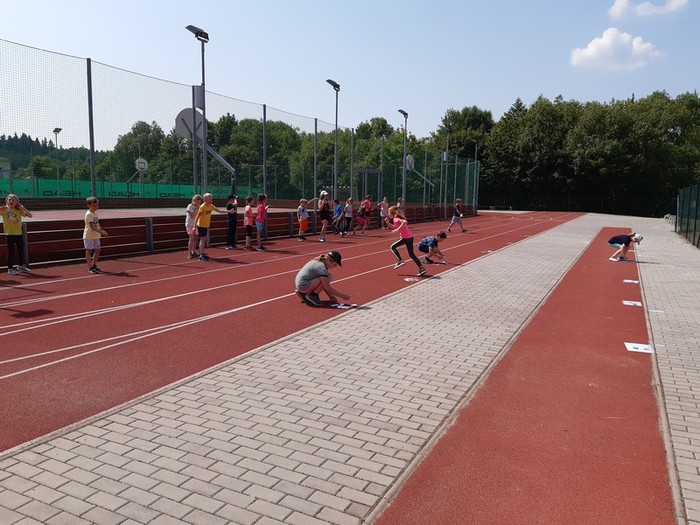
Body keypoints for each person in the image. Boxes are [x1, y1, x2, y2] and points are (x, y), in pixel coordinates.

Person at [386, 205, 426, 277]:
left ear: (392, 213)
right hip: (410, 237)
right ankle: (421, 268)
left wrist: (397, 230)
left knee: (392, 247)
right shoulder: (396, 219)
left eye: (389, 213)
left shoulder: (396, 219)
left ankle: (400, 261)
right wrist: (388, 223)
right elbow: (395, 227)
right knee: (411, 254)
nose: (388, 214)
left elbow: (405, 222)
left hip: (404, 238)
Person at [194, 193, 233, 261]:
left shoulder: (211, 206)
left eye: (211, 199)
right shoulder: (202, 207)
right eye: (209, 199)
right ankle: (201, 254)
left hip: (205, 225)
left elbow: (219, 211)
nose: (211, 200)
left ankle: (202, 253)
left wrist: (229, 211)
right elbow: (197, 216)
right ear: (205, 200)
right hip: (201, 225)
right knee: (203, 239)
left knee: (203, 239)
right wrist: (194, 226)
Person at [1, 193, 33, 275]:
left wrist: (23, 208)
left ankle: (21, 266)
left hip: (18, 233)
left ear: (17, 202)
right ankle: (10, 268)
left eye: (13, 200)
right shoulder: (4, 210)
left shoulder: (19, 210)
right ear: (7, 201)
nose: (11, 201)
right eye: (9, 199)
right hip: (9, 234)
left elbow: (30, 215)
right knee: (11, 251)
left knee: (21, 250)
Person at [83, 196, 108, 273]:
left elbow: (97, 223)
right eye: (94, 206)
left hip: (96, 235)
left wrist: (101, 229)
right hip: (89, 235)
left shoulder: (96, 213)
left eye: (97, 205)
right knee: (89, 251)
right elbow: (92, 227)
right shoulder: (89, 214)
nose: (96, 207)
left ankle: (94, 265)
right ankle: (90, 267)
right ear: (88, 205)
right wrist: (101, 232)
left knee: (98, 250)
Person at [185, 194, 203, 259]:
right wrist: (197, 208)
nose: (198, 203)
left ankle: (193, 251)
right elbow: (192, 215)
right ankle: (189, 253)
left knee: (195, 238)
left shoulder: (199, 207)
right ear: (194, 200)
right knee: (191, 238)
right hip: (189, 224)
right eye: (197, 201)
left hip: (195, 225)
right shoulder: (190, 206)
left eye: (199, 201)